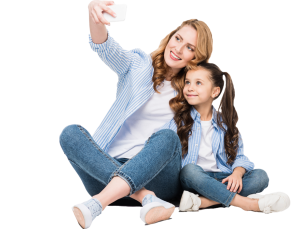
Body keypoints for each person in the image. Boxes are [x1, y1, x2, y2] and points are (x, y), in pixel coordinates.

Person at [58, 0, 213, 228]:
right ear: (170, 37)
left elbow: (214, 134)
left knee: (167, 138)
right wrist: (95, 19)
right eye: (178, 39)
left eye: (190, 47)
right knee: (70, 133)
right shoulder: (138, 65)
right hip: (106, 173)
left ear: (197, 57)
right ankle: (145, 198)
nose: (179, 49)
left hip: (158, 178)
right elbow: (104, 46)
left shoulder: (195, 92)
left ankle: (98, 204)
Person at [155, 61, 291, 214]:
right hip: (194, 180)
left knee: (261, 176)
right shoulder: (178, 122)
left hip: (223, 178)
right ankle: (245, 203)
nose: (190, 88)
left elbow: (239, 157)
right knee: (189, 171)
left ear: (215, 92)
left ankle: (204, 202)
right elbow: (158, 145)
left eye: (198, 83)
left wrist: (237, 174)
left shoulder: (226, 125)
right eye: (187, 82)